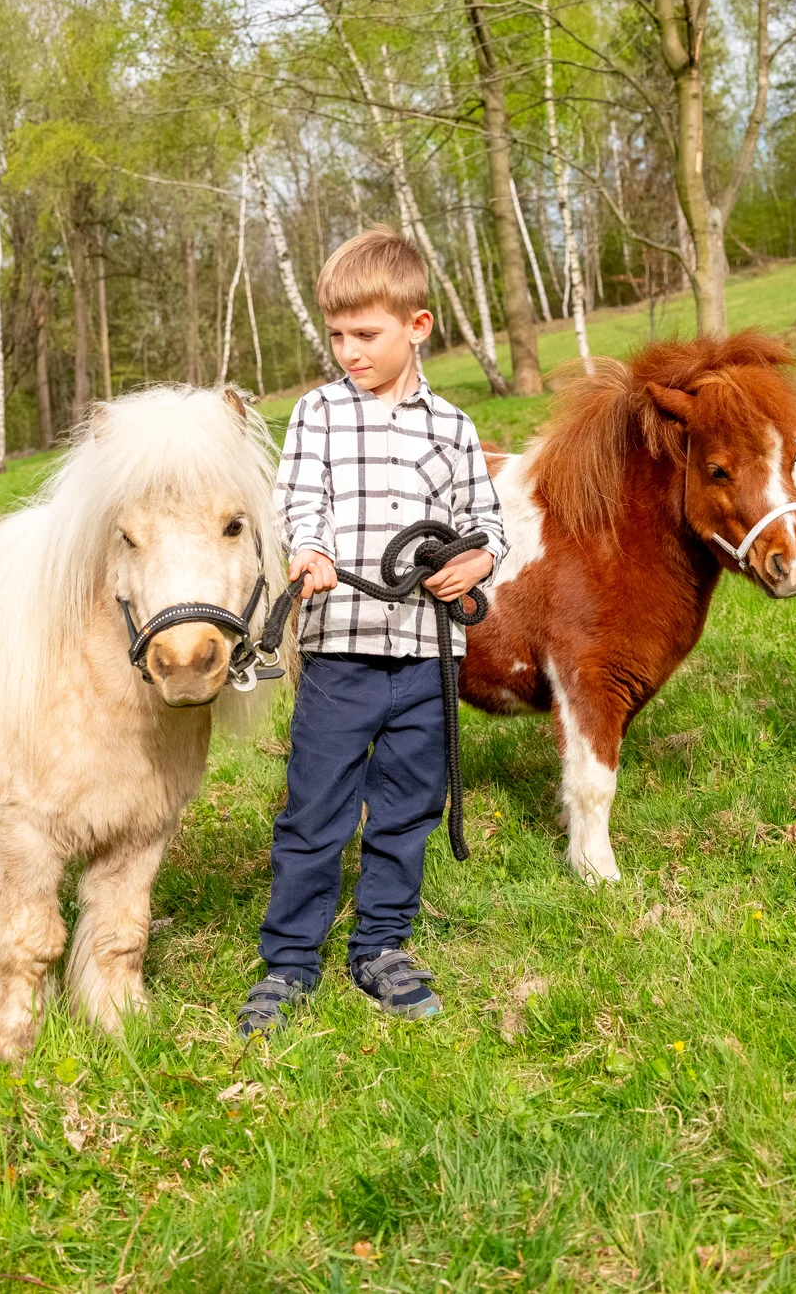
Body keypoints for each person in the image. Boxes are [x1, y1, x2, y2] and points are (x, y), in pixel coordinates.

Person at [238, 227, 506, 1039]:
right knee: (315, 809)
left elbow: (485, 517)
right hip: (341, 651)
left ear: (417, 328)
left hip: (427, 653)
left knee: (406, 806)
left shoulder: (453, 427)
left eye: (366, 335)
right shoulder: (319, 414)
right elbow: (299, 501)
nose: (347, 351)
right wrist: (310, 549)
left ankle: (381, 946)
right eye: (337, 336)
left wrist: (477, 561)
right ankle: (289, 959)